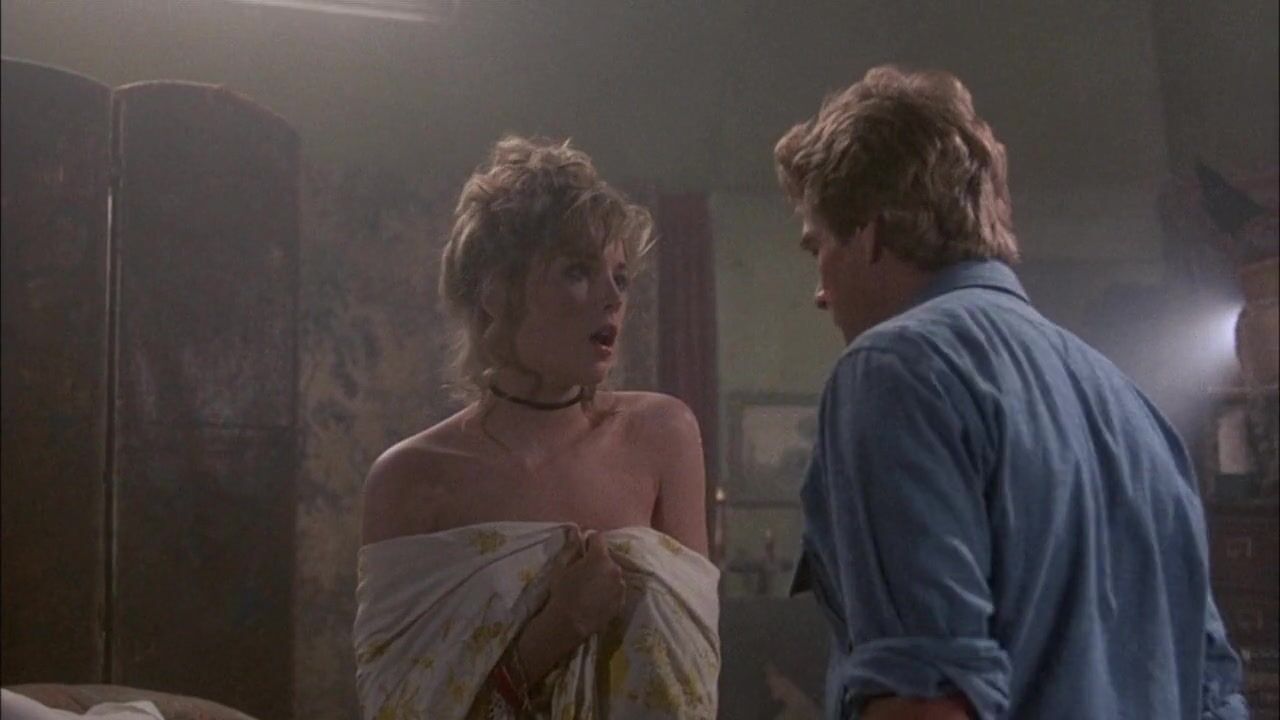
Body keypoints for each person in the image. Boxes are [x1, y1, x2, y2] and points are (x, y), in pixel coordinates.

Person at [773, 66, 1248, 719]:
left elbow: (926, 702)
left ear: (872, 233)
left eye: (818, 248)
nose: (820, 293)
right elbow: (1214, 695)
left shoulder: (893, 369)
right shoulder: (1133, 407)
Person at [353, 136, 720, 719]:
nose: (612, 298)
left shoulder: (662, 437)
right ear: (496, 294)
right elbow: (398, 709)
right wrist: (557, 629)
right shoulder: (413, 479)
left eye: (621, 277)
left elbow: (694, 681)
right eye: (578, 271)